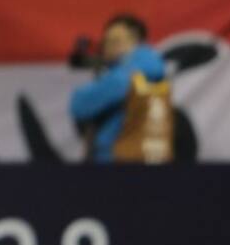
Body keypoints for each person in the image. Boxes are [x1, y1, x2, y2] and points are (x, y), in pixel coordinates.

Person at [69, 13, 171, 163]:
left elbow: (80, 105)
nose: (107, 46)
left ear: (135, 39)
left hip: (127, 161)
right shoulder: (128, 69)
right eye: (107, 40)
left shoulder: (144, 65)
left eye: (115, 40)